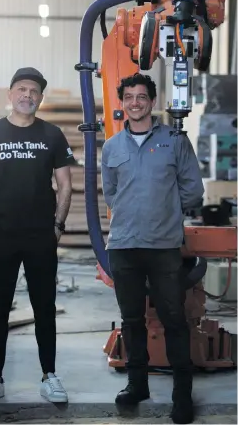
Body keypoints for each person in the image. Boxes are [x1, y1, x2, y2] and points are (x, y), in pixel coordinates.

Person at [101, 73, 204, 424]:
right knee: (132, 321)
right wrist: (133, 214)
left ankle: (182, 396)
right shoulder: (112, 146)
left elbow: (193, 189)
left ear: (152, 101)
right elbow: (111, 193)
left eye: (141, 96)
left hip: (163, 247)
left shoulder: (174, 141)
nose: (134, 103)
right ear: (122, 102)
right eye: (128, 97)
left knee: (174, 320)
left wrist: (164, 212)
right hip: (124, 245)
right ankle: (137, 384)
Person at [0, 67, 75, 405]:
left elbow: (66, 185)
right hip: (2, 236)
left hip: (41, 237)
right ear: (10, 94)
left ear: (41, 98)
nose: (28, 95)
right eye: (22, 89)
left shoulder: (53, 135)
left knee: (44, 307)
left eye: (34, 91)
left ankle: (50, 375)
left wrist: (57, 227)